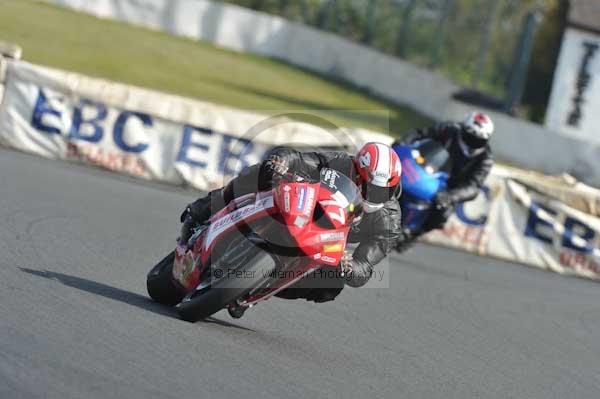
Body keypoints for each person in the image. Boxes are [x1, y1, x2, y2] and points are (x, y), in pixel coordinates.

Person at [179, 142, 403, 308]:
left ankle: (256, 289)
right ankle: (202, 209)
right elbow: (295, 157)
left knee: (331, 285)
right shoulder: (339, 161)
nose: (374, 195)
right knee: (261, 173)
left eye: (383, 190)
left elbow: (365, 267)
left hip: (328, 241)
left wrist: (350, 268)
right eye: (368, 186)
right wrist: (281, 162)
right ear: (357, 171)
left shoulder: (389, 221)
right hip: (304, 208)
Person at [393, 112, 494, 251]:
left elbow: (473, 187)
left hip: (449, 187)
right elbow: (421, 133)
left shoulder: (485, 158)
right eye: (470, 136)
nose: (473, 142)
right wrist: (403, 141)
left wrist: (451, 196)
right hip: (425, 167)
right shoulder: (449, 129)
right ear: (464, 129)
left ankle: (412, 233)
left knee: (442, 213)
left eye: (478, 140)